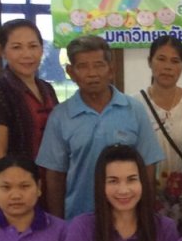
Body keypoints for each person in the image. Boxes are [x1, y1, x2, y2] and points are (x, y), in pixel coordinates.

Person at [36, 35, 164, 219]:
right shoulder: (60, 117)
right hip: (78, 220)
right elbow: (55, 176)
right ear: (71, 72)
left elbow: (148, 167)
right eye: (83, 66)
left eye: (98, 65)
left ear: (111, 69)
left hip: (128, 220)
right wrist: (59, 225)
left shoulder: (134, 110)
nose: (92, 73)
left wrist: (145, 216)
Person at [140, 35, 182, 234]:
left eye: (175, 61)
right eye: (161, 59)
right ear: (150, 62)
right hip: (145, 195)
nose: (167, 67)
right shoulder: (134, 105)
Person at [0, 19, 59, 171]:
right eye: (16, 47)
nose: (27, 54)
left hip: (52, 178)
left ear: (42, 49)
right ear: (2, 51)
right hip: (18, 181)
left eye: (33, 46)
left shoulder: (47, 89)